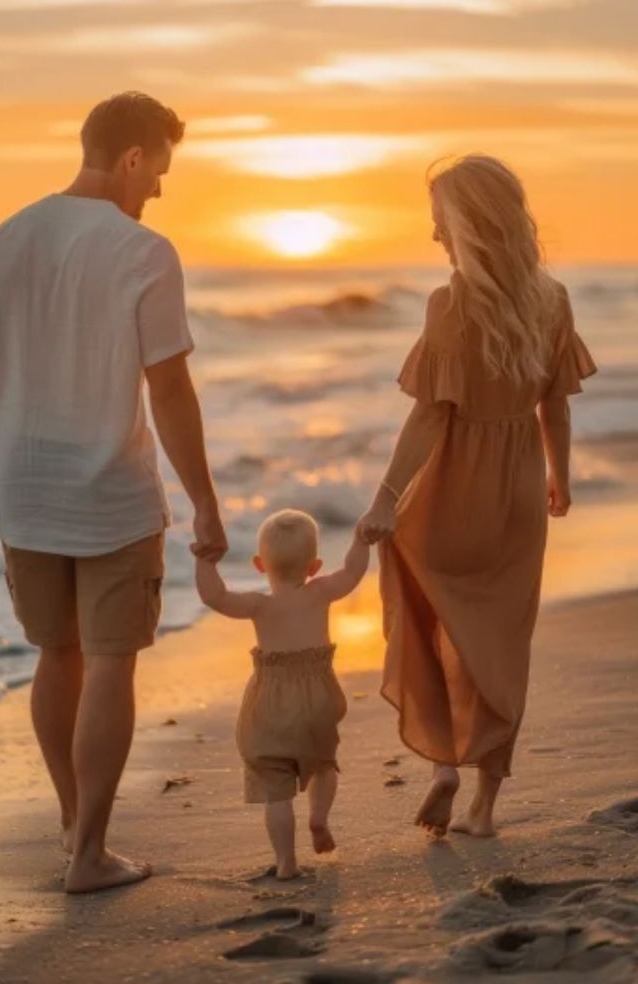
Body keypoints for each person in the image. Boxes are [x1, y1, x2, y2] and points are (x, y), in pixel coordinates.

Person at [0, 91, 227, 893]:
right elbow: (169, 386)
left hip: (26, 491)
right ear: (133, 157)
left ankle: (74, 823)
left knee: (55, 654)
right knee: (109, 663)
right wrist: (205, 499)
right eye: (160, 172)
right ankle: (89, 856)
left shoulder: (2, 240)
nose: (159, 192)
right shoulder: (143, 251)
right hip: (111, 492)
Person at [358, 154, 596, 838]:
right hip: (518, 491)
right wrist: (561, 476)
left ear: (467, 226)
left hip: (451, 488)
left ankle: (441, 763)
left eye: (439, 223)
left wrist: (384, 497)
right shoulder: (553, 300)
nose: (434, 236)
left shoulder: (450, 304)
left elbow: (432, 416)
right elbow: (556, 408)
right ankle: (484, 810)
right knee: (501, 645)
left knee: (426, 615)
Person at [195, 510, 368, 878]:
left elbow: (215, 597)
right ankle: (319, 819)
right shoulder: (320, 591)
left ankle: (286, 862)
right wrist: (360, 540)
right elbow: (353, 573)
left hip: (270, 706)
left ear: (259, 564)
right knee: (323, 763)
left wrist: (204, 560)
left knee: (276, 789)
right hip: (319, 698)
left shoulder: (258, 605)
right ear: (315, 565)